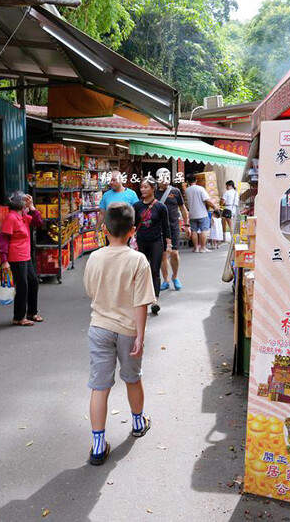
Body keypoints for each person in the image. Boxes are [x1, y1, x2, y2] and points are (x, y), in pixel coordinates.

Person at [84, 202, 155, 466]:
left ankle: (98, 445)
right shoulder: (138, 260)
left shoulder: (94, 257)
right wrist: (140, 336)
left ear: (104, 229)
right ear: (132, 231)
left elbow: (91, 291)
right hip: (127, 330)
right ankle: (138, 423)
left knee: (99, 386)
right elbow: (141, 302)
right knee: (132, 378)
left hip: (99, 327)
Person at [0, 191, 44, 327]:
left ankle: (32, 313)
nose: (25, 202)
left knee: (33, 282)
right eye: (24, 200)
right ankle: (18, 317)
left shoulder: (23, 216)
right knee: (22, 286)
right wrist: (4, 260)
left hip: (26, 256)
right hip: (16, 257)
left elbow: (39, 222)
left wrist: (32, 207)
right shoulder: (11, 218)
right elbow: (3, 240)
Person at [133, 176, 171, 315]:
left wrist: (168, 244)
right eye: (141, 187)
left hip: (156, 241)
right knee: (141, 271)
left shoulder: (161, 207)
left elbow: (166, 226)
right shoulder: (137, 206)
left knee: (155, 270)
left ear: (153, 188)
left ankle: (155, 300)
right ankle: (141, 299)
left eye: (146, 187)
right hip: (141, 241)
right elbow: (133, 224)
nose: (143, 189)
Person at [154, 168, 189, 291]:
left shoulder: (175, 191)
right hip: (159, 228)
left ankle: (175, 276)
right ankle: (166, 280)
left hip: (173, 227)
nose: (166, 180)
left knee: (174, 253)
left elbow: (183, 208)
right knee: (163, 255)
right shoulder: (153, 192)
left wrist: (187, 225)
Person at [184, 173, 220, 253]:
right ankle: (203, 248)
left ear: (188, 182)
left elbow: (186, 203)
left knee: (194, 230)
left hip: (192, 214)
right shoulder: (200, 189)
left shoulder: (187, 190)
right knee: (204, 230)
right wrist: (214, 207)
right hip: (202, 213)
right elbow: (207, 200)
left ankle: (196, 248)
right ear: (196, 180)